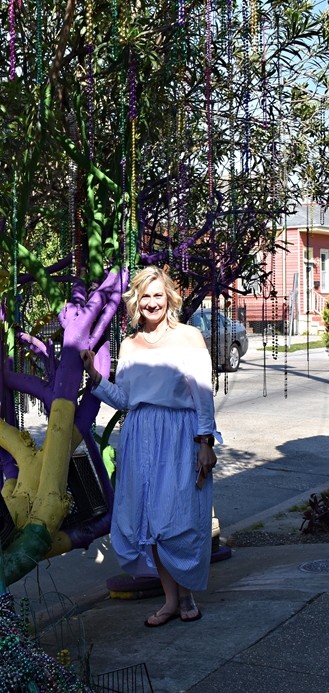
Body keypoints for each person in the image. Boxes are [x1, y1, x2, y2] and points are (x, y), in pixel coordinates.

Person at [80, 266, 219, 627]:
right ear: (136, 302)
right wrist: (95, 379)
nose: (153, 302)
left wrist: (206, 442)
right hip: (140, 435)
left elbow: (202, 396)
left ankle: (186, 593)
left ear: (170, 297)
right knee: (150, 520)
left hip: (179, 435)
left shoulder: (190, 337)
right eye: (146, 296)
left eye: (159, 295)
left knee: (180, 517)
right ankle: (171, 600)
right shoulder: (130, 344)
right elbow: (126, 399)